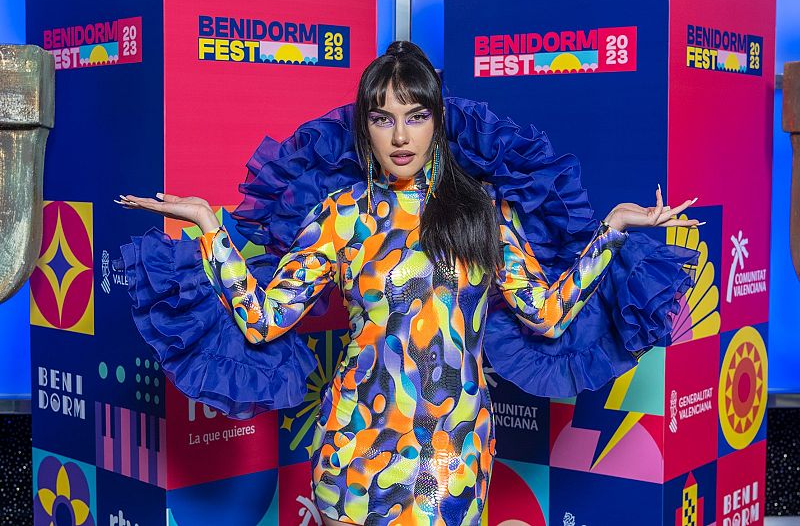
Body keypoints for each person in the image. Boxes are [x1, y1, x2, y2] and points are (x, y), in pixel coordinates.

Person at [117, 41, 700, 526]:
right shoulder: (339, 215)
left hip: (454, 450)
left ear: (437, 122)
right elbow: (263, 320)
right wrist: (211, 229)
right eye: (383, 117)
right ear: (364, 127)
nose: (400, 135)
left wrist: (613, 233)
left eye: (416, 115)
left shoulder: (484, 214)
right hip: (354, 443)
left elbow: (546, 315)